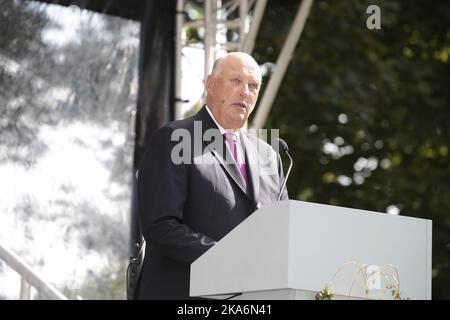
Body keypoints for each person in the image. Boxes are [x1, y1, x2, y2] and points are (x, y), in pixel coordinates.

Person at [135, 52, 288, 299]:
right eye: (235, 81)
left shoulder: (269, 156)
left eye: (253, 86)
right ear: (210, 84)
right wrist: (229, 261)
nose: (244, 92)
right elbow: (161, 226)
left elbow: (282, 235)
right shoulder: (176, 138)